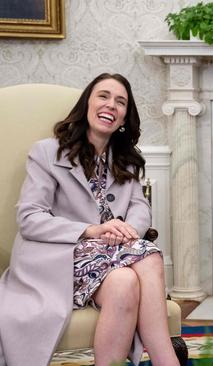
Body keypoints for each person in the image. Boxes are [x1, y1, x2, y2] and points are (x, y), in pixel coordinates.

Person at [0, 73, 180, 366]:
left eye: (120, 102)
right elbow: (30, 218)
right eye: (104, 96)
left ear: (124, 118)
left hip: (115, 254)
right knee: (149, 256)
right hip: (58, 256)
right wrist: (92, 230)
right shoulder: (47, 152)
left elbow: (140, 209)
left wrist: (126, 232)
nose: (111, 105)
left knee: (124, 282)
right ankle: (166, 361)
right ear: (87, 103)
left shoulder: (126, 160)